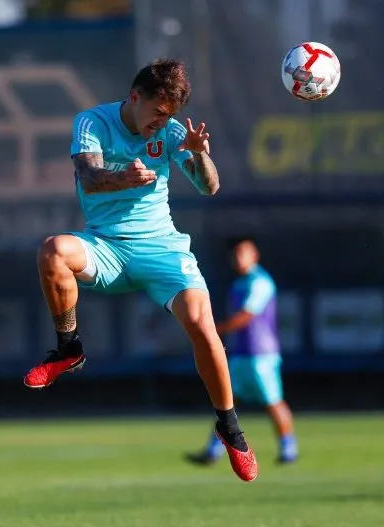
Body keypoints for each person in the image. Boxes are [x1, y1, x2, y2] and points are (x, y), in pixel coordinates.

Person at [23, 58, 258, 482]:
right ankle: (68, 349)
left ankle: (230, 427)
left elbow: (210, 187)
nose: (162, 123)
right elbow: (89, 177)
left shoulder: (171, 133)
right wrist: (123, 178)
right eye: (158, 112)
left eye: (171, 116)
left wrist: (200, 156)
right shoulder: (91, 121)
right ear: (135, 97)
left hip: (161, 249)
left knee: (203, 326)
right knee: (53, 251)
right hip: (105, 246)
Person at [186, 237, 298, 466]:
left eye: (244, 252)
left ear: (255, 255)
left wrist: (216, 330)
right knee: (226, 403)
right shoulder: (239, 283)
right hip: (240, 354)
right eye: (235, 253)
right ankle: (213, 450)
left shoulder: (260, 282)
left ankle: (288, 448)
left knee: (273, 402)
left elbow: (247, 315)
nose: (238, 257)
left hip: (261, 355)